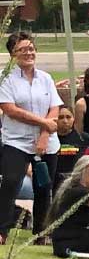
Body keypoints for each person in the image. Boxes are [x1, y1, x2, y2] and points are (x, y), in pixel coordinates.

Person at [0, 34, 61, 242]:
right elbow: (11, 109)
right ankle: (2, 231)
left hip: (46, 143)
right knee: (10, 182)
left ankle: (41, 233)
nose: (28, 53)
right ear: (12, 54)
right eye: (22, 50)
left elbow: (55, 107)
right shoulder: (5, 78)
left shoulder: (46, 78)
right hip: (17, 141)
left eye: (31, 49)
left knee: (44, 187)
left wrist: (45, 134)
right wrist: (44, 123)